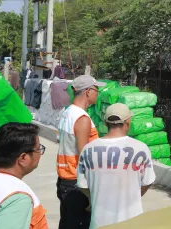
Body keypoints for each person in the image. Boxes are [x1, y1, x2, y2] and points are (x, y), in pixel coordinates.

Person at [77, 103, 156, 228]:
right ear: (128, 121)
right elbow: (147, 181)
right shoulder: (141, 148)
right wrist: (131, 196)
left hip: (100, 223)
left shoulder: (87, 150)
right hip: (132, 223)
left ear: (105, 123)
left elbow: (83, 185)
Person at [56, 75, 102, 229]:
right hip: (77, 183)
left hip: (65, 179)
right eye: (96, 90)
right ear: (88, 91)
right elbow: (85, 155)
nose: (98, 93)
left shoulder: (68, 112)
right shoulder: (82, 118)